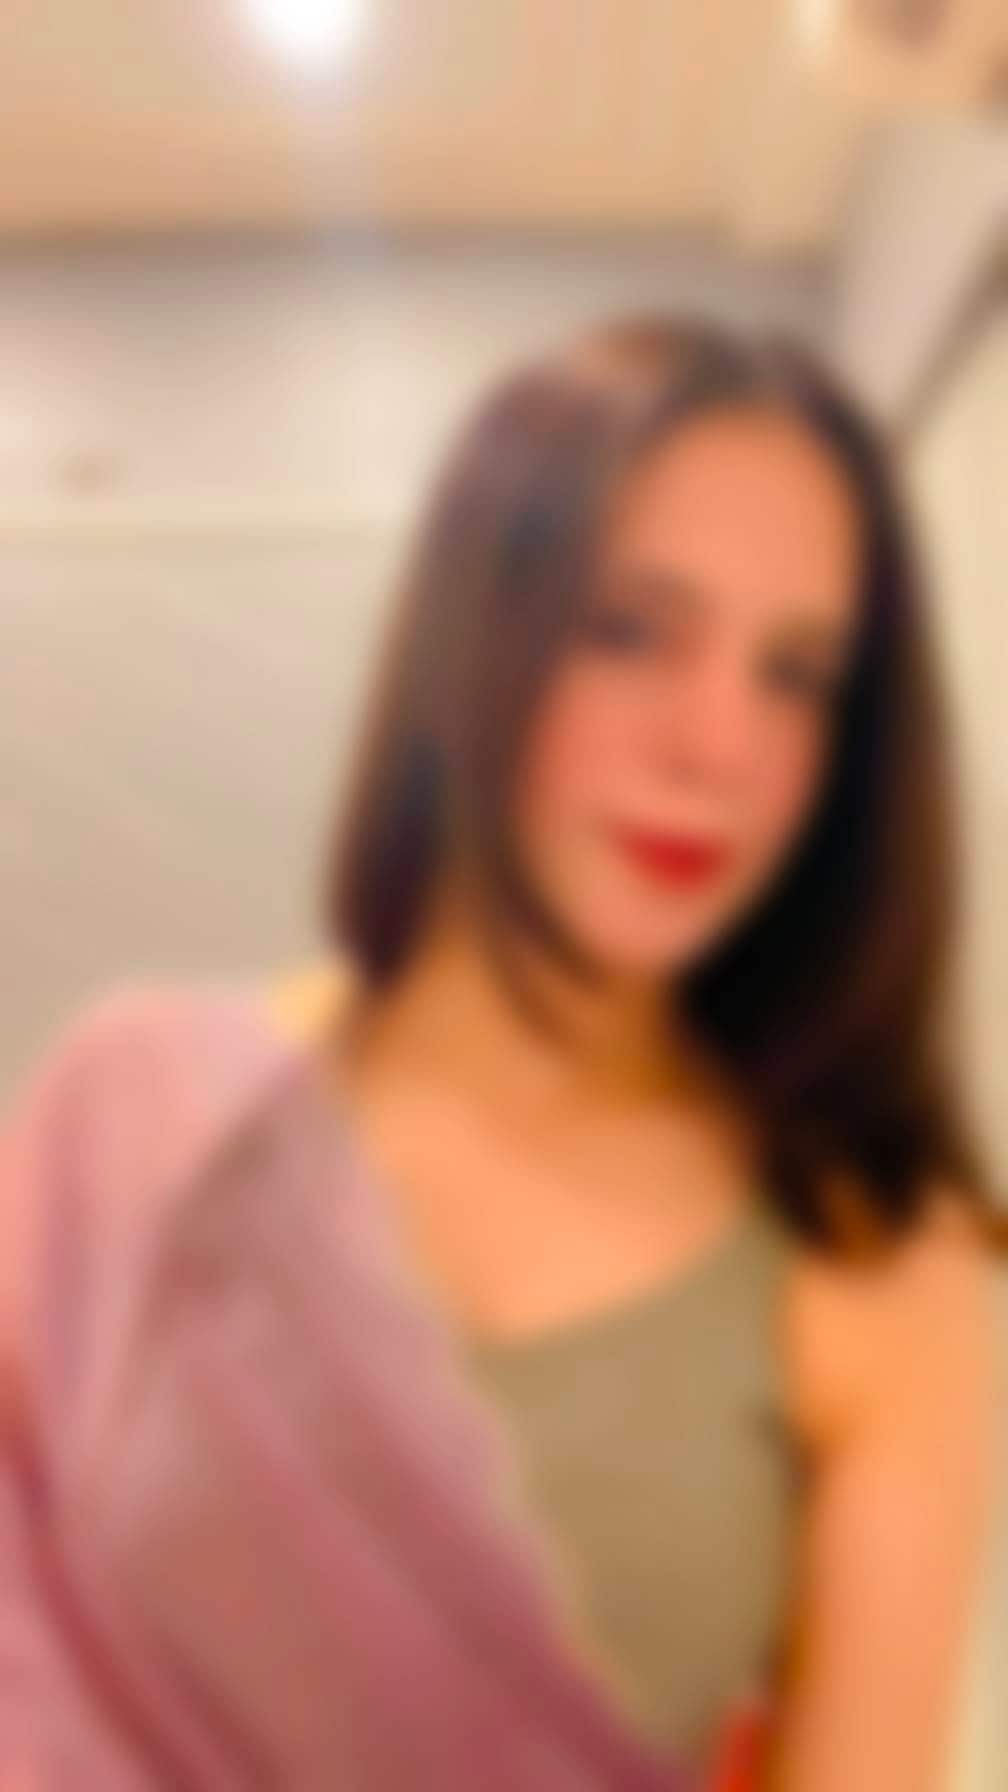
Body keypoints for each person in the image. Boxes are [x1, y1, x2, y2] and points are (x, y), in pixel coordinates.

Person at [1, 315, 1003, 1792]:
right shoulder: (132, 1109)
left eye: (797, 675)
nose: (719, 747)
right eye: (631, 630)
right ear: (477, 638)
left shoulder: (878, 1261)